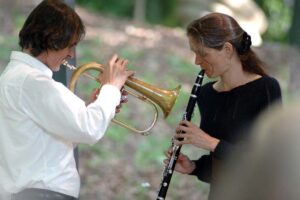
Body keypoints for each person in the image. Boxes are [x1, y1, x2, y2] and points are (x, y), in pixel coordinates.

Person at [0, 0, 134, 200]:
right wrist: (111, 88)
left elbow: (57, 140)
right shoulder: (33, 81)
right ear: (52, 38)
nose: (71, 54)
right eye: (70, 45)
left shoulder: (18, 77)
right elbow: (89, 129)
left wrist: (96, 106)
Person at [163, 12, 282, 200]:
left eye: (202, 54)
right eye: (194, 53)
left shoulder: (266, 88)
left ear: (227, 50)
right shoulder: (206, 94)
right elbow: (223, 164)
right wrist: (193, 167)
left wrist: (209, 142)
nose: (196, 61)